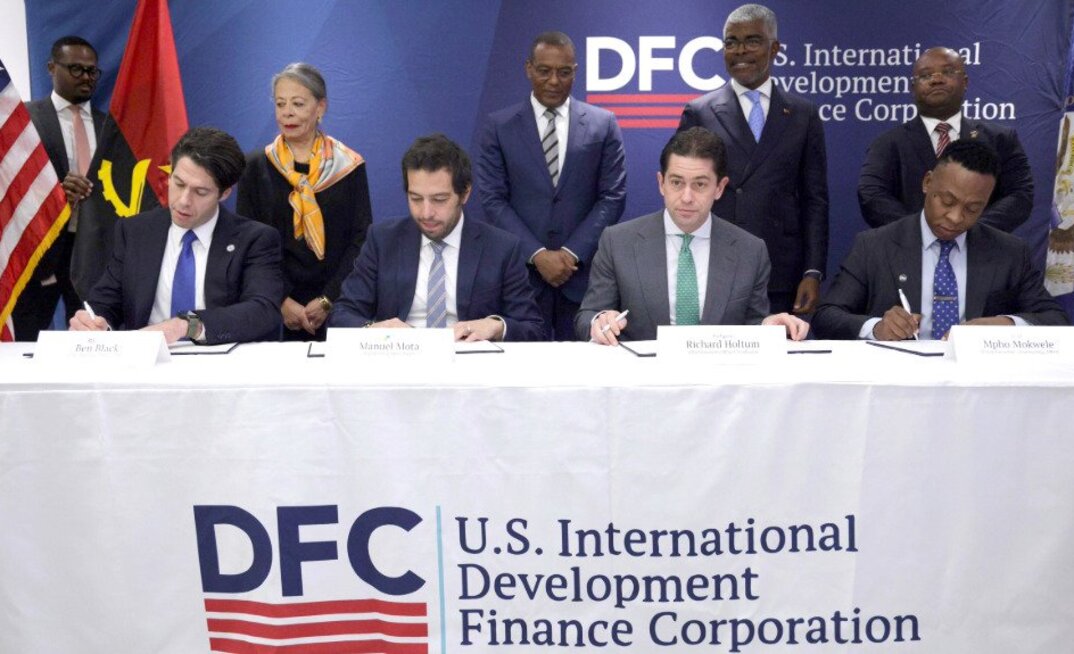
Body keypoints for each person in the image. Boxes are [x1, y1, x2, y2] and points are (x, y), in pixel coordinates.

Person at [813, 140, 1067, 341]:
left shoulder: (1009, 252)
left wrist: (1005, 324)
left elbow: (1056, 320)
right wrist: (877, 327)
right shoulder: (874, 246)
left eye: (972, 209)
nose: (956, 217)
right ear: (927, 183)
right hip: (898, 388)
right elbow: (826, 318)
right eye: (947, 201)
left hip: (978, 389)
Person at [576, 128, 809, 344]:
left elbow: (752, 324)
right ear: (661, 183)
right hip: (643, 380)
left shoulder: (750, 251)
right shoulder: (618, 242)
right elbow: (586, 316)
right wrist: (600, 320)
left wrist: (768, 326)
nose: (686, 197)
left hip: (719, 381)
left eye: (700, 185)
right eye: (676, 182)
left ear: (719, 188)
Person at [678, 4, 828, 315]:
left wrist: (812, 272)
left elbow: (815, 201)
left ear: (775, 48)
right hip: (716, 263)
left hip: (782, 271)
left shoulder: (803, 115)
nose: (740, 50)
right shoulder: (700, 111)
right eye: (731, 42)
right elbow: (682, 191)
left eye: (752, 41)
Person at [476, 30, 626, 340]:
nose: (554, 81)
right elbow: (492, 199)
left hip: (584, 280)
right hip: (521, 279)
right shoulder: (499, 126)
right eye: (544, 71)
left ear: (576, 70)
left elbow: (612, 197)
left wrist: (571, 253)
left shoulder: (603, 123)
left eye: (564, 71)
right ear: (528, 68)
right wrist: (538, 254)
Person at [69, 127, 284, 344]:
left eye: (200, 192)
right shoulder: (136, 232)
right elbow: (106, 302)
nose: (183, 201)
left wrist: (187, 325)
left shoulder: (254, 240)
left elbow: (262, 311)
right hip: (145, 364)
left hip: (218, 366)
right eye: (179, 183)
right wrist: (93, 321)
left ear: (224, 193)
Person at [329, 134, 544, 341]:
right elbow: (342, 314)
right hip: (400, 363)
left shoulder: (502, 248)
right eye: (415, 199)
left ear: (465, 193)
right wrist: (374, 330)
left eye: (439, 199)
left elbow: (533, 328)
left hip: (469, 365)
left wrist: (497, 326)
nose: (426, 212)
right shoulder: (383, 240)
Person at [236, 63, 371, 341]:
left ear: (320, 107)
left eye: (298, 103)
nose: (287, 112)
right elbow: (249, 244)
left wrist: (327, 300)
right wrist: (282, 301)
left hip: (339, 305)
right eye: (280, 103)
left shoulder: (349, 166)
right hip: (272, 307)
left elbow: (361, 239)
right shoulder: (254, 167)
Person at [858, 47, 1033, 233]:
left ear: (965, 82)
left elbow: (1020, 194)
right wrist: (921, 234)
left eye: (948, 72)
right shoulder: (888, 143)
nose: (936, 79)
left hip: (981, 253)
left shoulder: (1000, 139)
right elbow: (871, 194)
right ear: (913, 88)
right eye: (925, 76)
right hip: (907, 254)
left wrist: (969, 231)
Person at [14, 36, 105, 341]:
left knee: (93, 342)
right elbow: (10, 187)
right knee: (26, 342)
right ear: (51, 67)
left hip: (96, 249)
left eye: (92, 72)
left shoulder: (112, 126)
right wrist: (54, 194)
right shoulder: (23, 121)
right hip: (41, 249)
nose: (86, 78)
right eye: (76, 69)